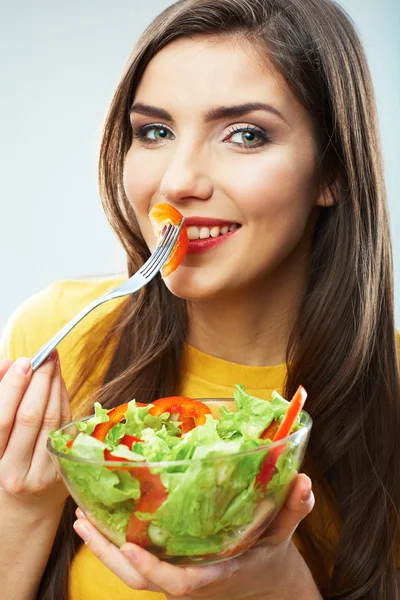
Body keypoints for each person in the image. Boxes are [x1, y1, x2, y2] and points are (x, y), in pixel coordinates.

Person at [1, 0, 399, 598]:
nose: (178, 180)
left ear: (331, 170)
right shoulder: (57, 338)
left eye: (245, 135)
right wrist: (22, 511)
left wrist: (282, 588)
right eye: (154, 132)